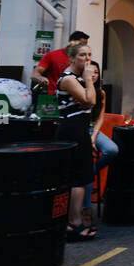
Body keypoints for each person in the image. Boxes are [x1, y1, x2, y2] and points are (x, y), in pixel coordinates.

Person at [56, 43, 99, 241]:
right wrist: (89, 81)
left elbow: (90, 100)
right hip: (71, 129)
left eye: (89, 54)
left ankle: (75, 220)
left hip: (80, 128)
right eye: (82, 55)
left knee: (83, 176)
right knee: (77, 177)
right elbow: (90, 101)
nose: (87, 59)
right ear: (72, 59)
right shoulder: (68, 79)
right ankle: (74, 222)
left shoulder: (80, 78)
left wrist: (88, 84)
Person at [83, 60, 118, 231]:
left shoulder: (101, 93)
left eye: (97, 72)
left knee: (112, 149)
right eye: (92, 71)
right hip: (80, 128)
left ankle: (91, 173)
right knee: (87, 163)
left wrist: (94, 135)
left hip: (92, 129)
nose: (94, 74)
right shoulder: (80, 89)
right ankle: (86, 210)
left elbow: (100, 118)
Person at [31, 30, 89, 95]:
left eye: (85, 45)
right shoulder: (52, 55)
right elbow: (34, 74)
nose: (84, 48)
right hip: (54, 95)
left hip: (76, 95)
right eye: (81, 45)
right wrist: (41, 78)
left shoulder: (84, 59)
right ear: (72, 43)